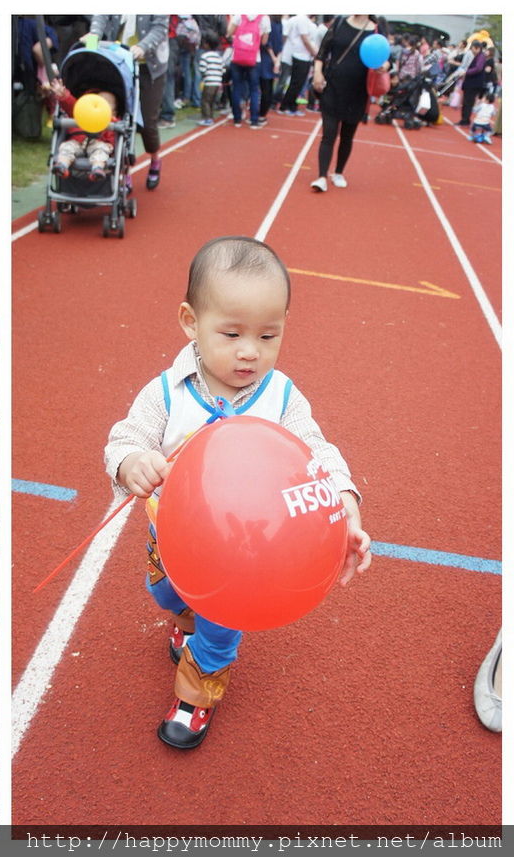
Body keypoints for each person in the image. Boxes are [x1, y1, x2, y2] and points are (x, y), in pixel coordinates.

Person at [104, 236, 371, 748]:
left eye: (268, 336)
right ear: (191, 322)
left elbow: (319, 450)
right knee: (165, 591)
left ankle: (196, 694)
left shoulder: (282, 397)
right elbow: (125, 438)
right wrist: (130, 463)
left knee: (220, 623)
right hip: (174, 536)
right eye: (231, 333)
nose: (250, 351)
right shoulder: (166, 392)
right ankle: (182, 617)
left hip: (248, 555)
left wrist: (346, 502)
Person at [85, 15, 170, 190]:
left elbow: (160, 28)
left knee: (147, 121)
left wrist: (142, 46)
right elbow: (101, 16)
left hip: (149, 66)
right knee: (120, 119)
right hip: (118, 61)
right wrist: (94, 34)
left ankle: (154, 158)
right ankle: (123, 170)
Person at [310, 15, 385, 192]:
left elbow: (386, 58)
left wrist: (385, 66)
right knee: (328, 134)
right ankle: (321, 176)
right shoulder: (339, 23)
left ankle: (338, 172)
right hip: (333, 86)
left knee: (347, 136)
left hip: (358, 92)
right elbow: (322, 52)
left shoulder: (376, 30)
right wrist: (317, 73)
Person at [49, 81, 120, 178]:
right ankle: (62, 165)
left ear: (114, 112)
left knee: (101, 151)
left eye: (106, 103)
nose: (100, 105)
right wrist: (63, 94)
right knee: (67, 147)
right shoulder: (83, 112)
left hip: (97, 144)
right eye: (98, 101)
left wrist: (109, 144)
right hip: (77, 142)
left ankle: (97, 168)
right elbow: (71, 105)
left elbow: (112, 138)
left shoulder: (112, 122)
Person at [227, 14, 270, 128]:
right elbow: (264, 41)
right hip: (254, 58)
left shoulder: (239, 15)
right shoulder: (264, 18)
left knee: (236, 87)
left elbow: (230, 32)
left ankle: (237, 119)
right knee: (254, 90)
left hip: (237, 56)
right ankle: (254, 120)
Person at [279, 14, 318, 115]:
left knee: (298, 83)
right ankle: (286, 106)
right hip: (300, 55)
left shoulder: (306, 21)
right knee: (296, 83)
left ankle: (291, 105)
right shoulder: (301, 19)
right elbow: (305, 39)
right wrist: (314, 52)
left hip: (304, 56)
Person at [196, 31, 225, 126]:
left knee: (205, 101)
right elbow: (223, 69)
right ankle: (211, 116)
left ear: (206, 45)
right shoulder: (219, 57)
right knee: (212, 101)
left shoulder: (205, 56)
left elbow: (202, 69)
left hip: (209, 82)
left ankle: (207, 118)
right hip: (217, 82)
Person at [459, 41, 490, 126]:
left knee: (468, 101)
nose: (471, 51)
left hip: (473, 83)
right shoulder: (479, 56)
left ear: (477, 48)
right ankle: (465, 119)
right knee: (467, 101)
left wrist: (466, 72)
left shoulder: (481, 57)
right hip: (472, 82)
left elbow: (478, 68)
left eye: (472, 48)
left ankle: (465, 120)